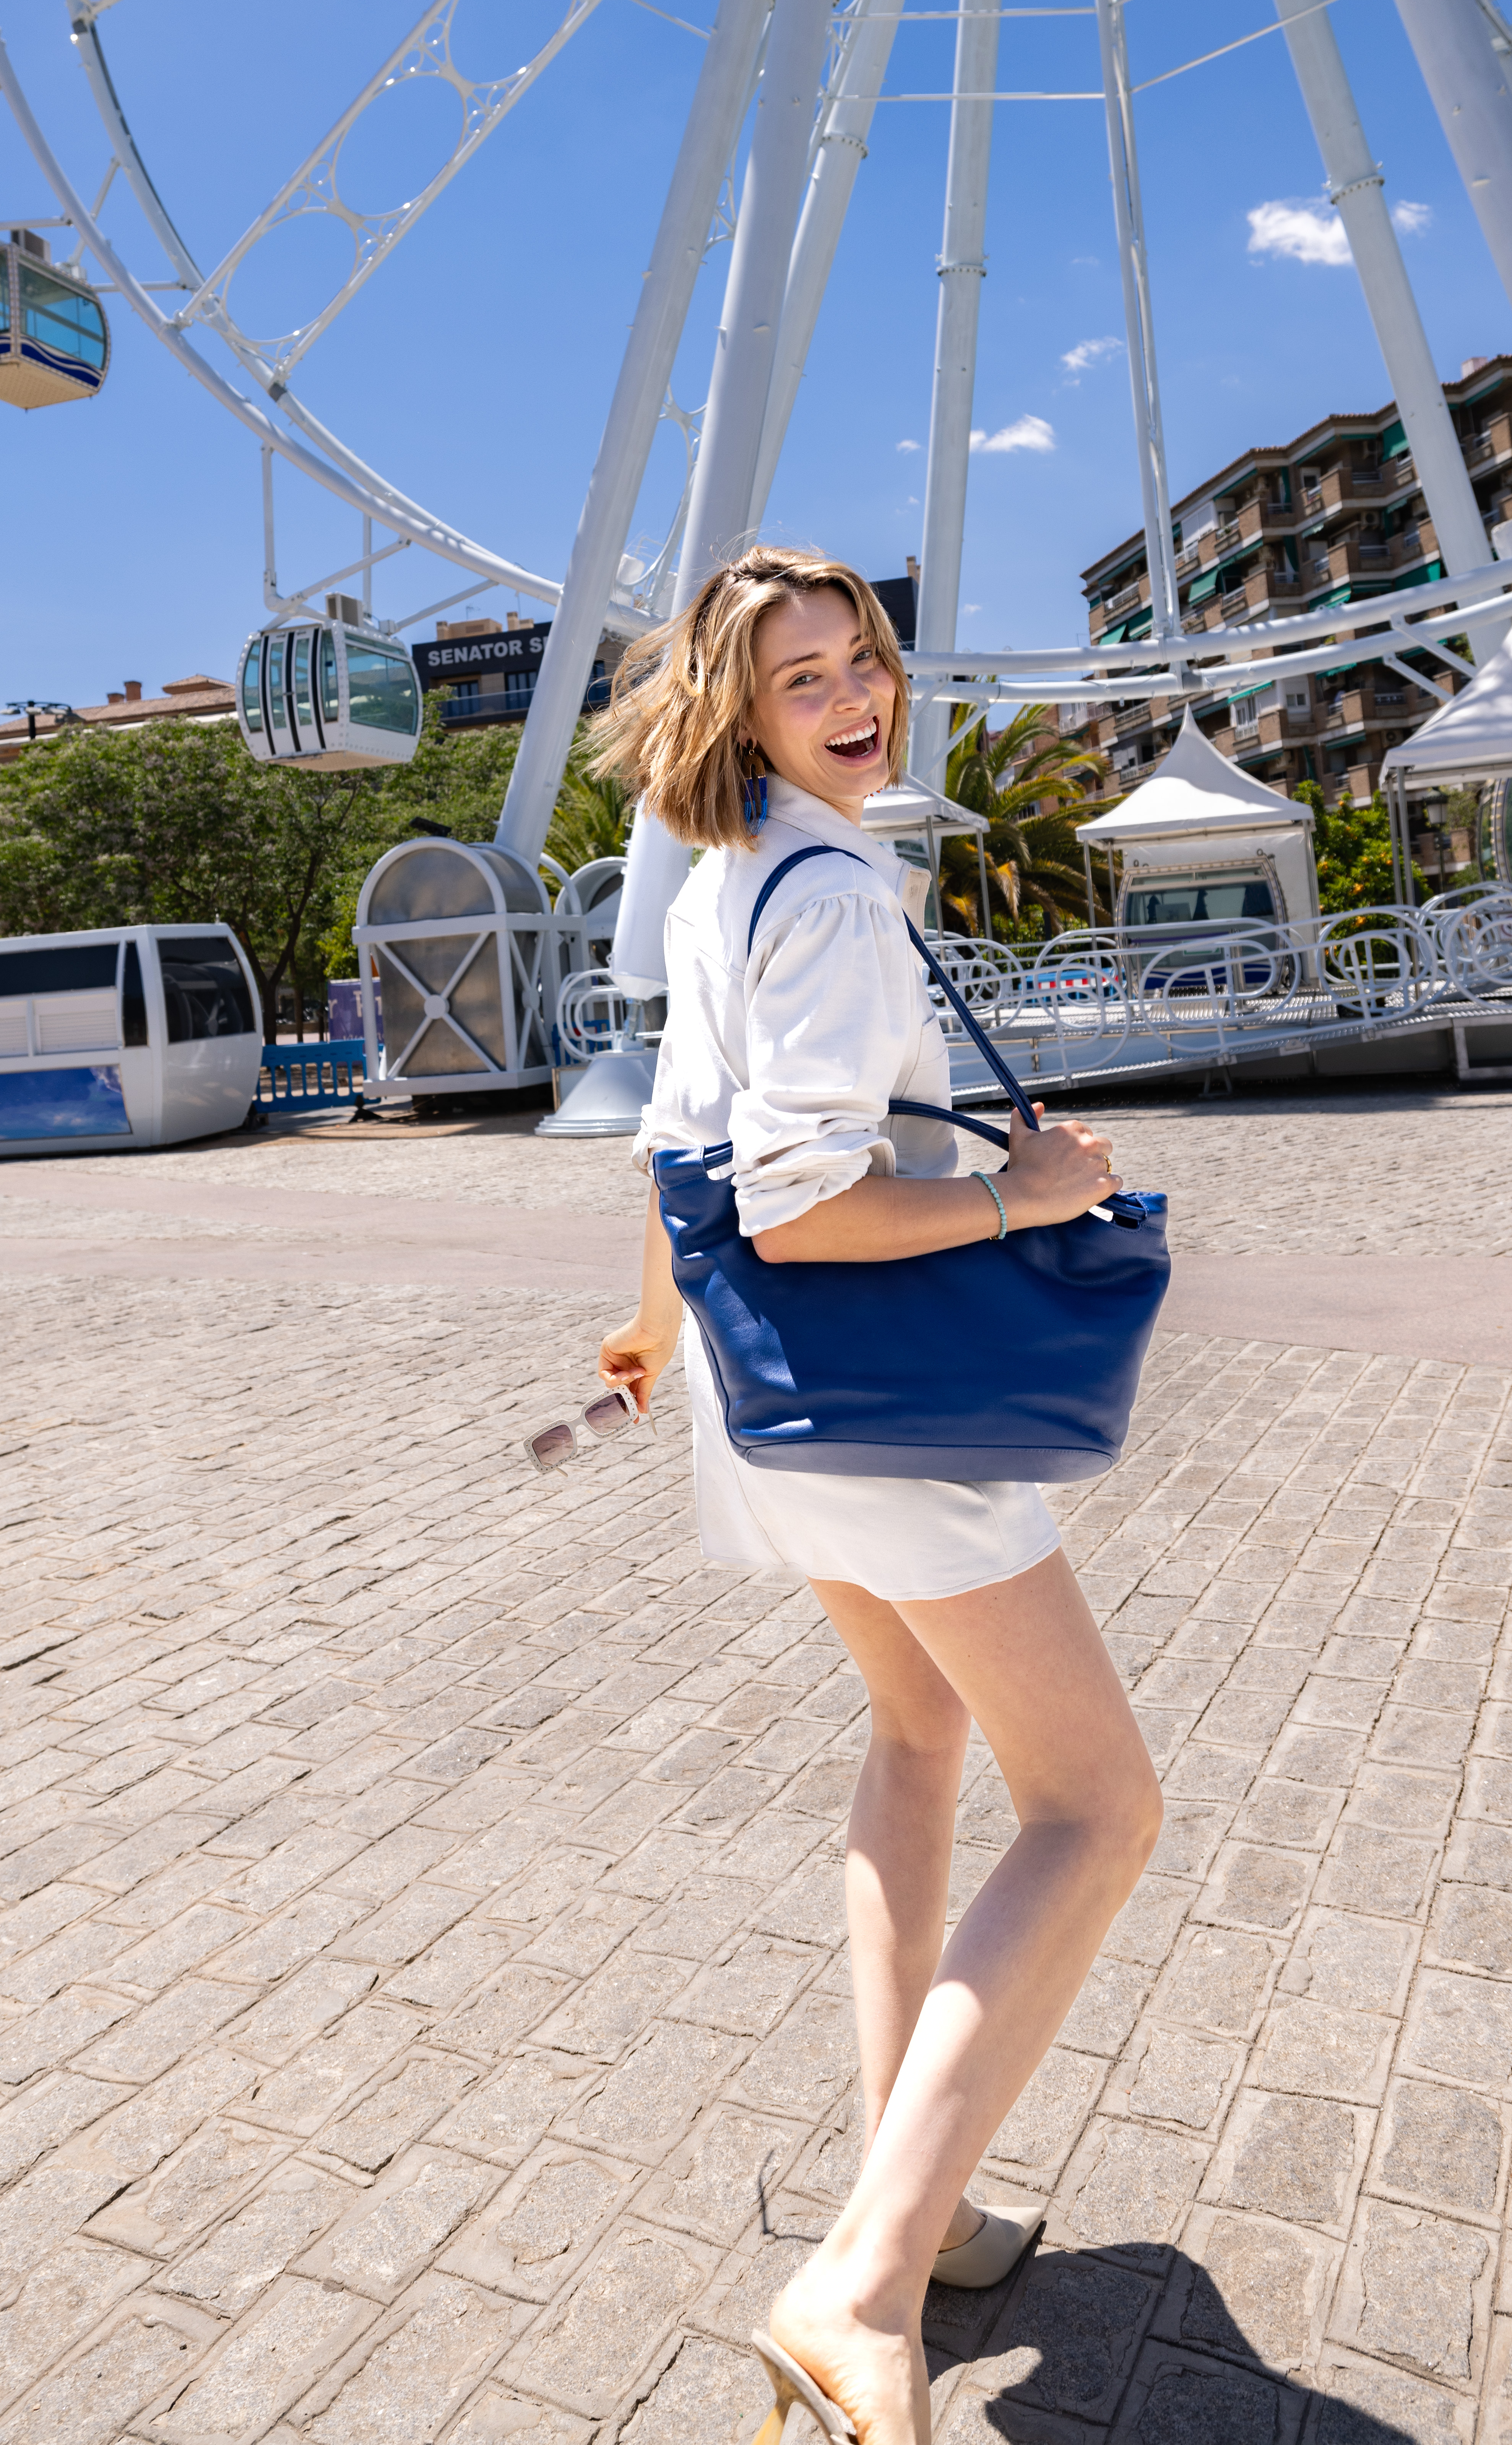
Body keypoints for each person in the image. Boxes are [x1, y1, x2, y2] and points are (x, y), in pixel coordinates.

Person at [590, 545, 1162, 2445]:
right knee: (1098, 1802)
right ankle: (859, 2282)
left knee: (915, 1733)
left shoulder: (721, 870)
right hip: (901, 1414)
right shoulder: (828, 889)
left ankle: (915, 2207)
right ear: (737, 708)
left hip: (774, 1414)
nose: (851, 700)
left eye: (862, 661)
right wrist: (1036, 1190)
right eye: (800, 677)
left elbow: (679, 1155)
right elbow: (799, 1199)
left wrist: (650, 1338)